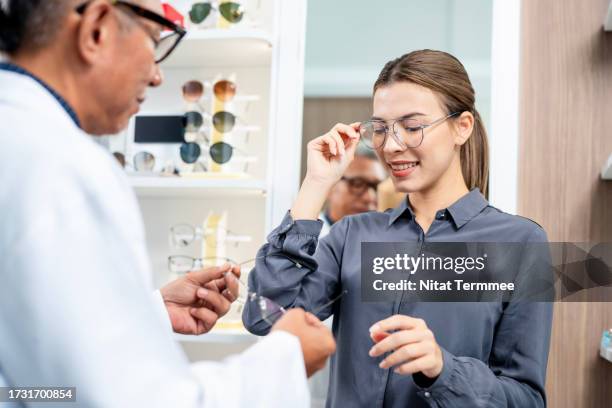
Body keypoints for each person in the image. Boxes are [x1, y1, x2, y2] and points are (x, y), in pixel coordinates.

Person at [0, 0, 335, 407]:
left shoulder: (19, 138)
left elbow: (31, 376)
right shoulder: (63, 164)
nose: (158, 76)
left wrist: (150, 311)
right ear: (97, 29)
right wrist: (286, 360)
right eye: (155, 41)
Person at [244, 49, 553, 407]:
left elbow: (526, 399)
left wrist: (443, 368)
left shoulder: (521, 243)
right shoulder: (351, 236)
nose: (390, 146)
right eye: (380, 129)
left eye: (412, 127)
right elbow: (265, 318)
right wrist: (315, 184)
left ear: (461, 127)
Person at [318, 146, 385, 236]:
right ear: (330, 186)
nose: (369, 197)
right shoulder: (304, 242)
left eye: (376, 187)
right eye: (358, 184)